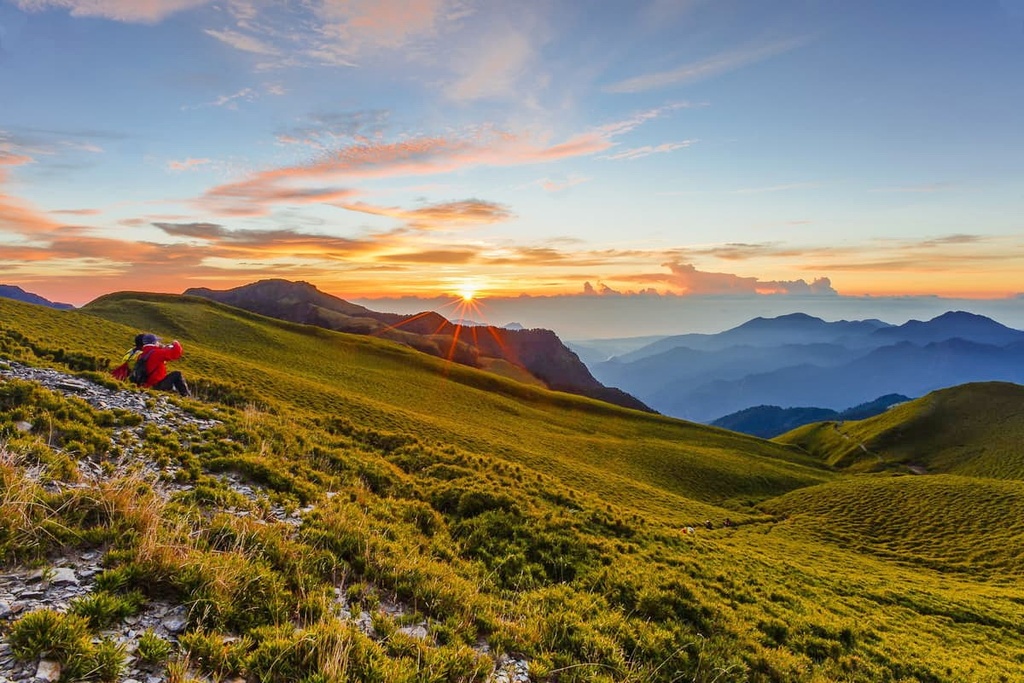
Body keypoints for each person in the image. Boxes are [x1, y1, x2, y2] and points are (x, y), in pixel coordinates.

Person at [134, 333, 191, 397]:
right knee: (177, 374)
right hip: (156, 385)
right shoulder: (157, 353)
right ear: (154, 342)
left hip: (145, 384)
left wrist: (163, 348)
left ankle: (176, 394)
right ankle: (186, 396)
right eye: (157, 341)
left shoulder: (141, 354)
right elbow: (176, 353)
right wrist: (176, 343)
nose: (159, 343)